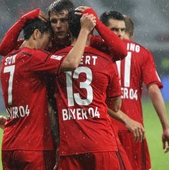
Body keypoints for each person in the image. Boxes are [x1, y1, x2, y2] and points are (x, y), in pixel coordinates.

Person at [0, 9, 95, 169]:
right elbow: (71, 63)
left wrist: (23, 19)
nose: (50, 44)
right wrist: (84, 31)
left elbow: (2, 48)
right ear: (36, 33)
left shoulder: (8, 59)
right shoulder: (34, 58)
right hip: (33, 146)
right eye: (48, 38)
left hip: (9, 145)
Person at [100, 11, 169, 170]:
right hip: (133, 131)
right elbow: (153, 90)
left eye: (120, 30)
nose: (118, 34)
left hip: (103, 129)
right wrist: (165, 127)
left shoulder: (95, 50)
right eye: (115, 30)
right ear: (132, 33)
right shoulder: (142, 53)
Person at [52, 9, 125, 170]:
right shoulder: (106, 60)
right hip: (101, 143)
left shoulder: (56, 60)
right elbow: (115, 106)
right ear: (92, 29)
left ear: (68, 29)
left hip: (70, 145)